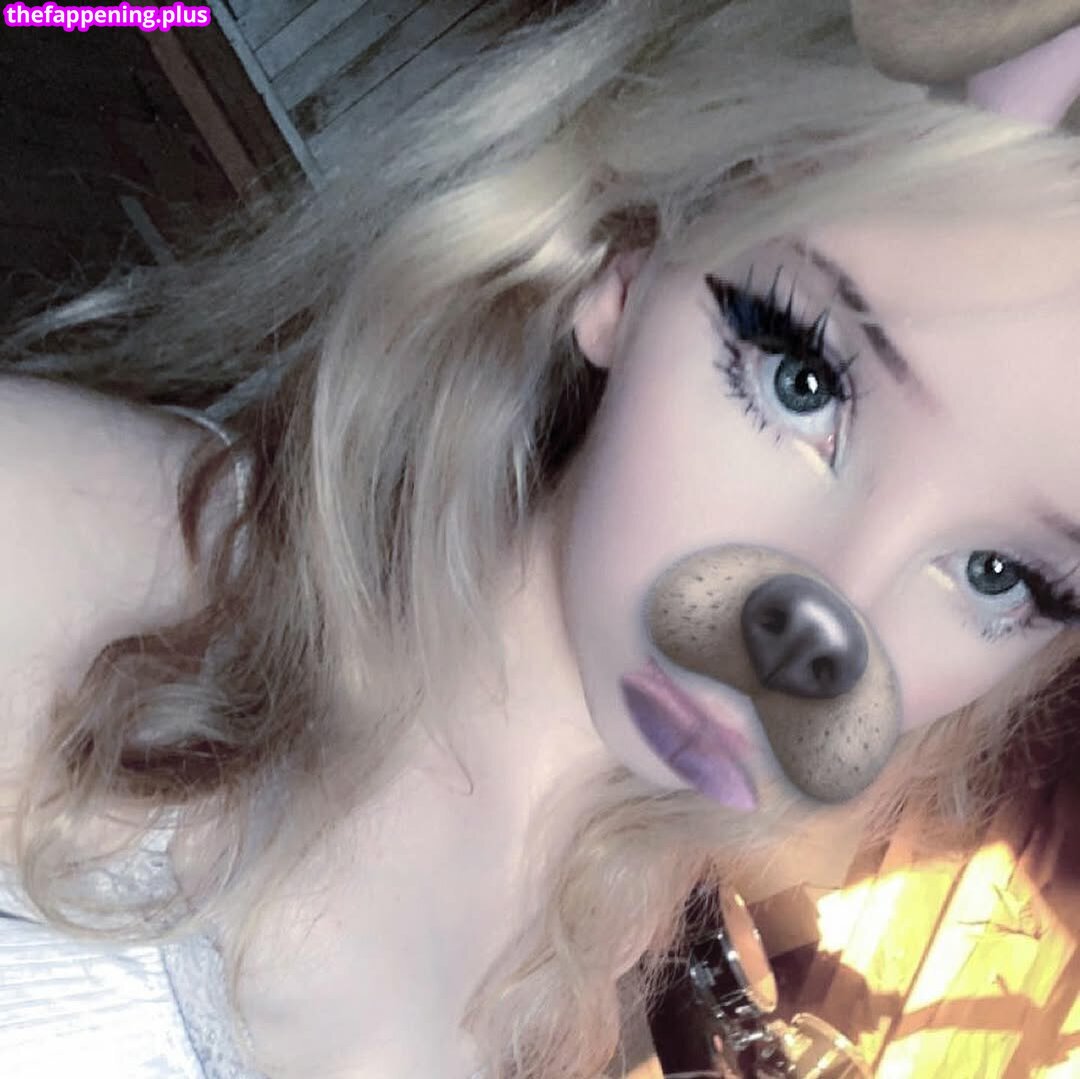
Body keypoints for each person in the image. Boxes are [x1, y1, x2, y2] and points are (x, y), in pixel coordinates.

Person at [1, 0, 1079, 1076]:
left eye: (1001, 574)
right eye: (802, 380)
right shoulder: (91, 576)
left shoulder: (585, 963)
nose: (822, 631)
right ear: (631, 261)